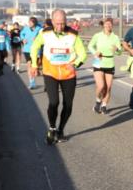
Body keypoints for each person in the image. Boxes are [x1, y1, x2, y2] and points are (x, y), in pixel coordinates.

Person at [29, 10, 86, 144]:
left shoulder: (73, 34)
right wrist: (34, 64)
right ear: (52, 21)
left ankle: (60, 130)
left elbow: (82, 53)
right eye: (57, 23)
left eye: (63, 23)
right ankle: (52, 128)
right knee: (54, 102)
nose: (60, 26)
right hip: (50, 72)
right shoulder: (45, 33)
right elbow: (34, 47)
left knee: (68, 104)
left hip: (68, 74)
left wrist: (76, 64)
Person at [87, 18, 123, 114]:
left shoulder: (115, 37)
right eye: (106, 24)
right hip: (99, 62)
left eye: (110, 24)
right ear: (103, 25)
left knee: (108, 87)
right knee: (101, 86)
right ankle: (98, 101)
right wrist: (95, 52)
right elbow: (90, 46)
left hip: (109, 62)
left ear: (112, 25)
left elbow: (119, 52)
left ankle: (104, 105)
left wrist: (117, 50)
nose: (108, 26)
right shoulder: (97, 35)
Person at [20, 16, 43, 88]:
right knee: (29, 65)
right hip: (27, 49)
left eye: (30, 22)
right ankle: (32, 82)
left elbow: (43, 37)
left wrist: (37, 38)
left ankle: (37, 70)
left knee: (35, 65)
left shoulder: (39, 29)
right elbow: (21, 34)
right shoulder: (26, 28)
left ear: (34, 22)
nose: (29, 23)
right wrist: (23, 39)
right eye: (28, 22)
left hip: (36, 50)